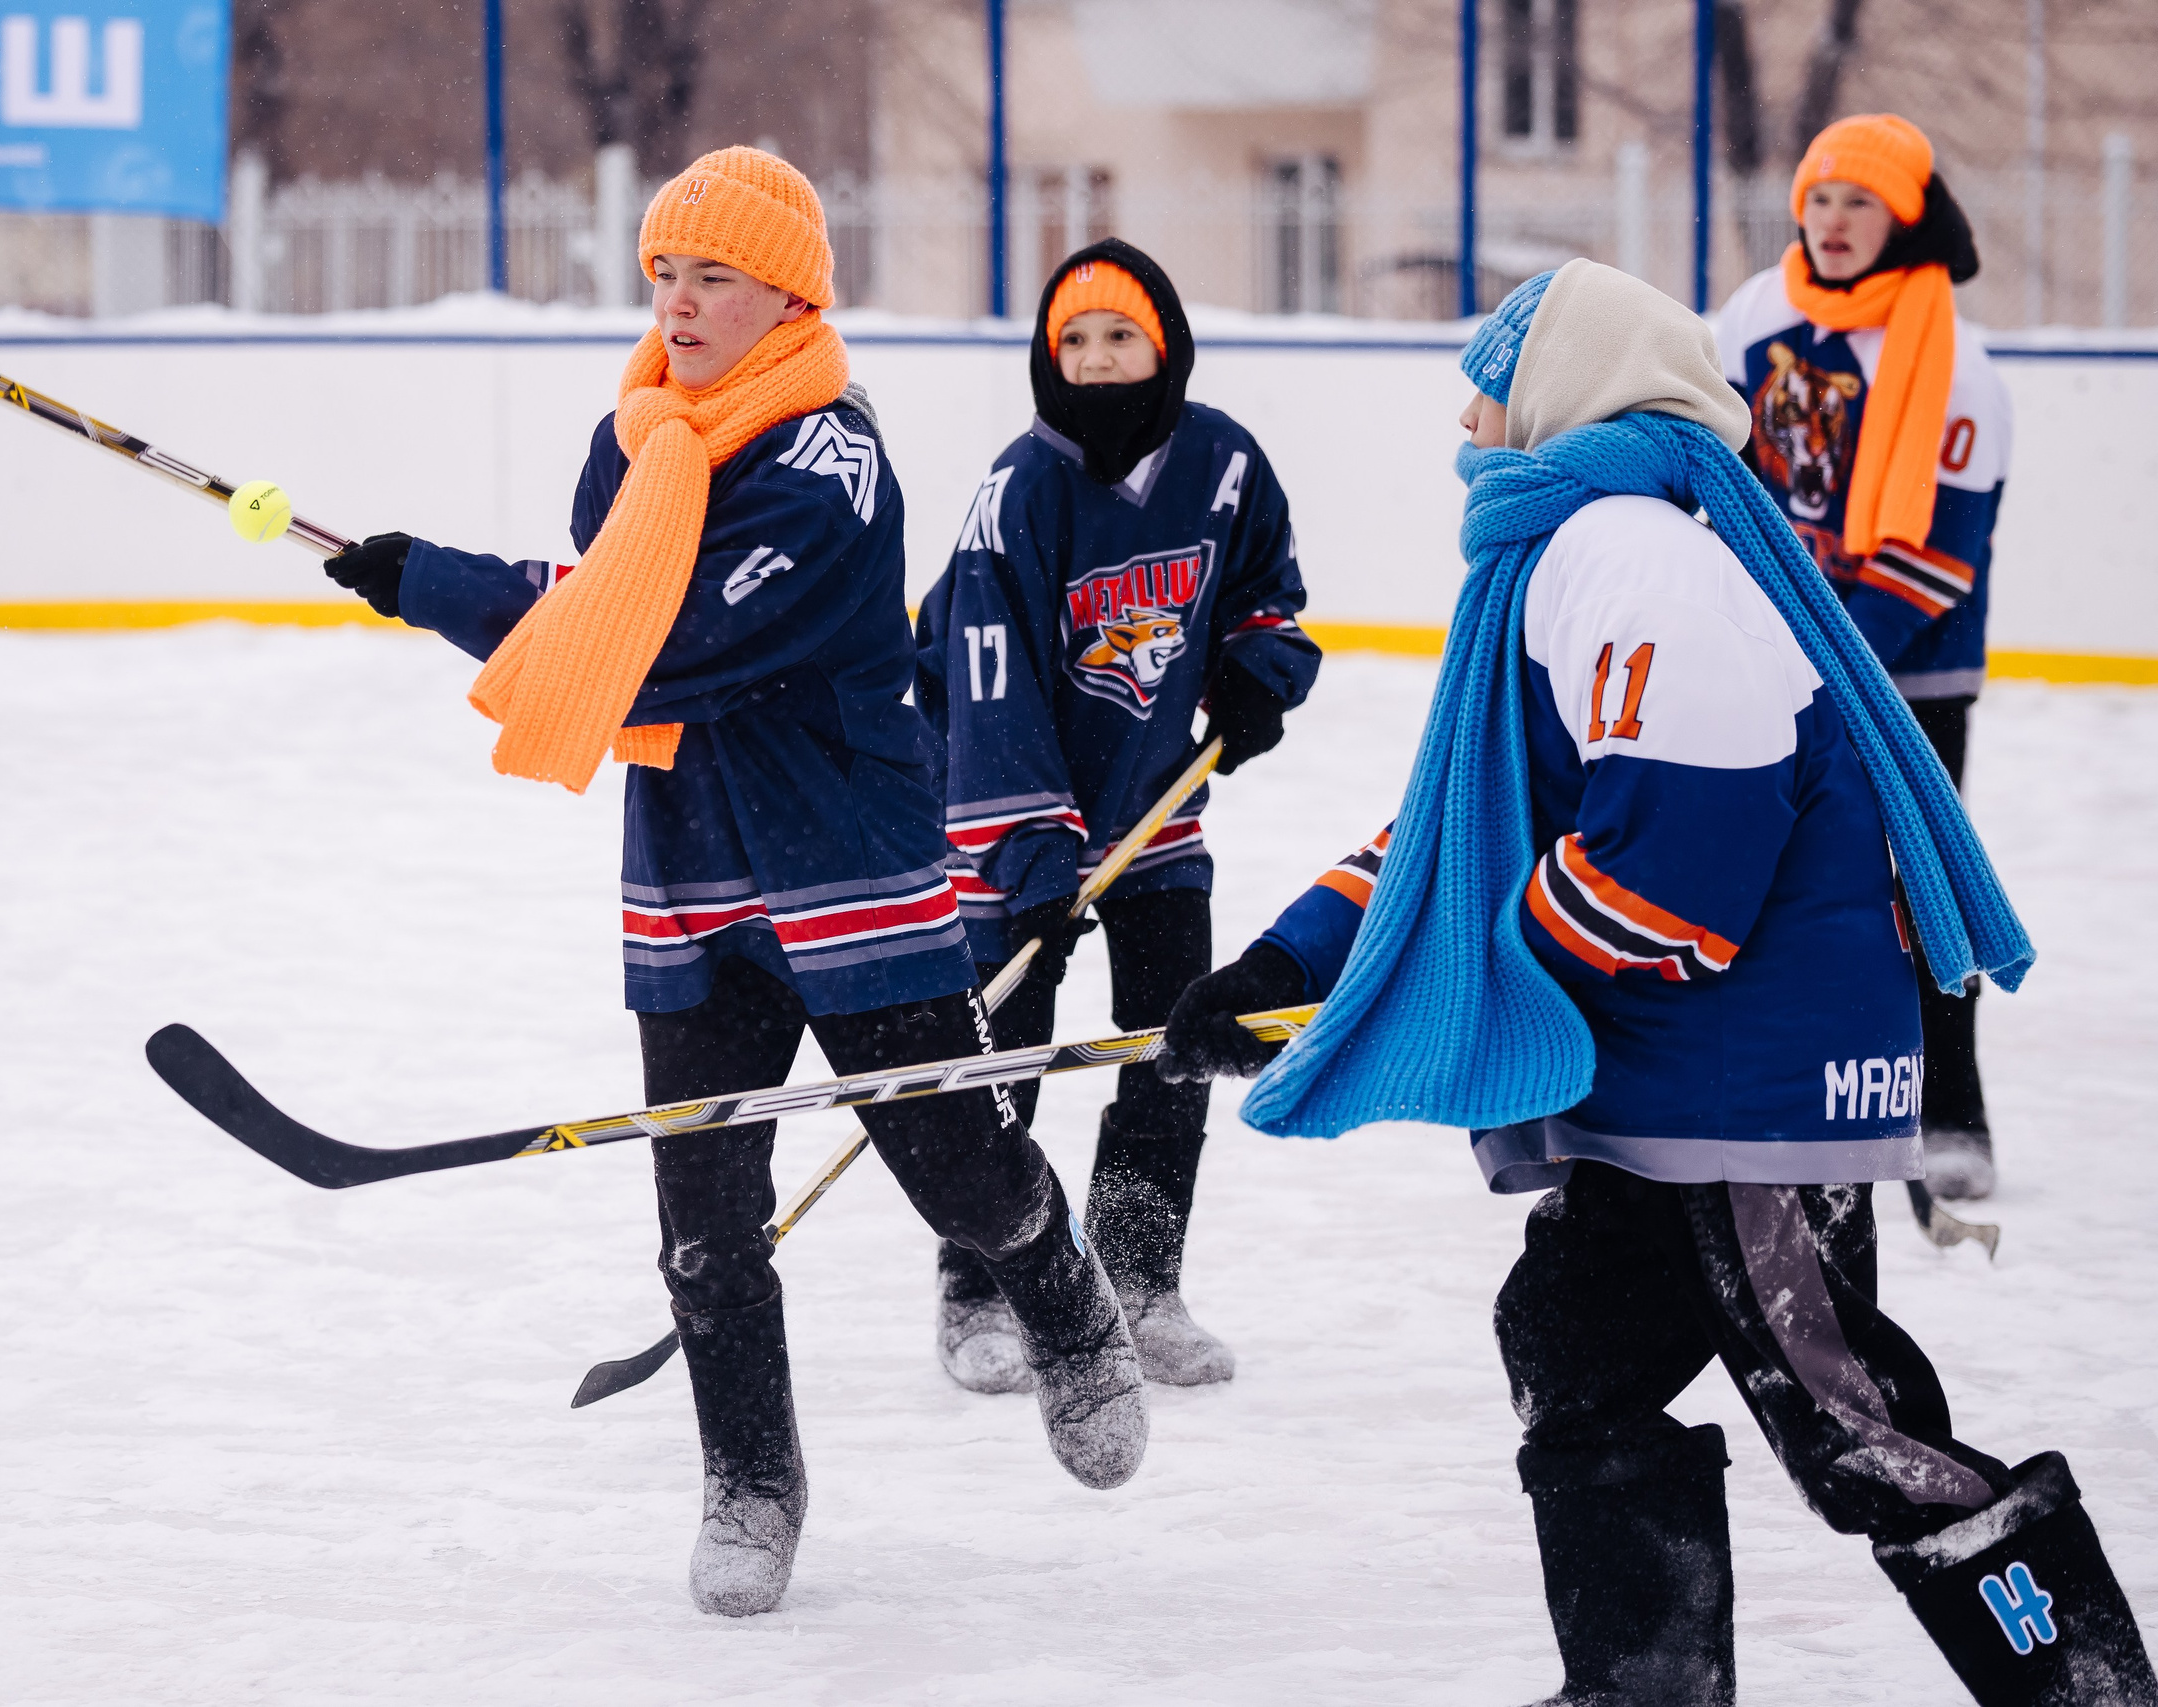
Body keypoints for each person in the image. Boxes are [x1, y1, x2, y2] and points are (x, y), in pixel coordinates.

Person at [1162, 262, 2153, 1706]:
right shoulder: (1571, 554)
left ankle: (2086, 1687)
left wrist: (1442, 968)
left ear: (1566, 389)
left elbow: (1680, 870)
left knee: (1852, 1424)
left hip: (1744, 1087)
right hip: (1671, 1083)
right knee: (1571, 1351)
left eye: (1489, 382)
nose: (1465, 415)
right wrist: (1290, 960)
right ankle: (1642, 1685)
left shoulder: (1632, 562)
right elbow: (1464, 832)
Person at [315, 147, 1148, 1619]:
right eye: (665, 274)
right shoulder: (636, 436)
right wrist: (420, 577)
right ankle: (751, 1481)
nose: (681, 302)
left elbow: (670, 642)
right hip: (689, 867)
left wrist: (449, 589)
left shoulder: (830, 465)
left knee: (957, 1170)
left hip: (848, 863)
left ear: (790, 297)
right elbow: (602, 606)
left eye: (715, 276)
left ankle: (1060, 1288)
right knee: (702, 1223)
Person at [912, 239, 1321, 1391]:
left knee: (1167, 1047)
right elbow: (988, 692)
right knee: (1005, 1066)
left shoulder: (1223, 463)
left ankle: (1138, 1279)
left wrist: (1256, 674)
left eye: (1120, 336)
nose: (1094, 359)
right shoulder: (1020, 492)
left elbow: (1265, 593)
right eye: (1074, 340)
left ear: (1165, 346)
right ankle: (980, 1285)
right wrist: (1034, 855)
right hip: (1004, 824)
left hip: (1154, 815)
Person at [1714, 113, 2012, 1200]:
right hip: (1781, 654)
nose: (1834, 223)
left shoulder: (1957, 362)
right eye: (1821, 200)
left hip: (1908, 670)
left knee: (1916, 886)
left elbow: (1940, 557)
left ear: (1907, 218)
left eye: (1862, 204)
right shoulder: (1755, 312)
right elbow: (1718, 467)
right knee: (1775, 879)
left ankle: (1954, 1112)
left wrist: (1837, 665)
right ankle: (1793, 1094)